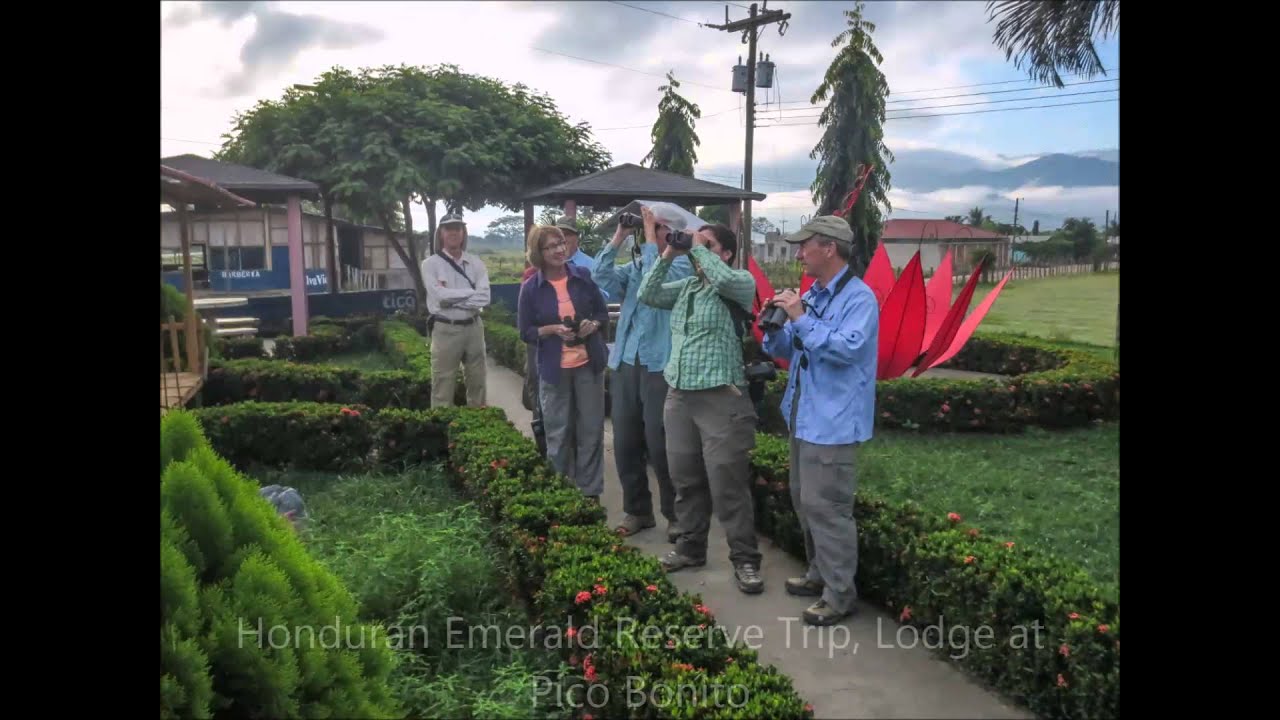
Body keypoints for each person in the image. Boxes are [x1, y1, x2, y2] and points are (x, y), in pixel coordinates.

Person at [637, 211, 763, 594]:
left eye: (708, 244)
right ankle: (690, 547)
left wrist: (699, 248)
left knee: (728, 483)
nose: (697, 248)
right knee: (685, 478)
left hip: (721, 397)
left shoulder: (739, 282)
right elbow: (648, 294)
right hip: (680, 396)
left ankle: (745, 560)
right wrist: (669, 254)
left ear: (724, 253)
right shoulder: (688, 287)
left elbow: (724, 278)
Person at [762, 215, 879, 626]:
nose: (798, 253)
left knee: (828, 509)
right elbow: (792, 349)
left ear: (828, 248)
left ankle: (840, 594)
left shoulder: (859, 299)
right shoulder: (816, 295)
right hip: (804, 416)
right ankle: (819, 574)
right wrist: (773, 326)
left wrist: (801, 317)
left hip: (833, 423)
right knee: (803, 500)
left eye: (804, 245)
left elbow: (847, 349)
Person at [592, 209, 692, 541]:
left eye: (660, 228)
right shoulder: (638, 263)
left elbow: (654, 281)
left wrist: (651, 239)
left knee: (660, 444)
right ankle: (637, 510)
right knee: (625, 442)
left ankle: (676, 515)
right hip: (625, 361)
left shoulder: (682, 265)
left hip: (659, 364)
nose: (652, 231)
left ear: (674, 234)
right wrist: (620, 235)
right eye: (652, 227)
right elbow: (600, 278)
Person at [517, 224, 610, 501]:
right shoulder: (531, 288)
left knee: (591, 431)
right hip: (554, 370)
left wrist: (591, 325)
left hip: (588, 366)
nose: (559, 250)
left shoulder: (582, 276)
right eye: (550, 246)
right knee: (558, 433)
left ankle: (590, 494)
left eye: (560, 243)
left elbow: (602, 315)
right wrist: (552, 330)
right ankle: (562, 494)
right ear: (539, 252)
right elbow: (526, 332)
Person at [421, 212, 491, 407]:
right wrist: (470, 292)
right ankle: (441, 431)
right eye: (448, 228)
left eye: (457, 228)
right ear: (441, 233)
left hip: (474, 327)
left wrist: (452, 298)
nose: (453, 232)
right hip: (445, 328)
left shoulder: (476, 263)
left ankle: (477, 429)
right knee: (442, 385)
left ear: (463, 233)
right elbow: (438, 297)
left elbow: (485, 297)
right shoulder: (430, 265)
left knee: (478, 383)